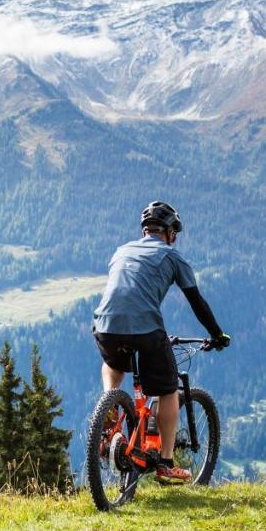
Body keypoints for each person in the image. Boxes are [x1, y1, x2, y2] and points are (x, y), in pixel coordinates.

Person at [93, 201, 231, 485]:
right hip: (145, 328)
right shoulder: (172, 256)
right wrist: (217, 334)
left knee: (112, 362)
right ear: (169, 232)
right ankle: (166, 464)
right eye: (174, 233)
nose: (175, 238)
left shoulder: (121, 251)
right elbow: (197, 302)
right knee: (168, 390)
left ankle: (110, 401)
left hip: (105, 325)